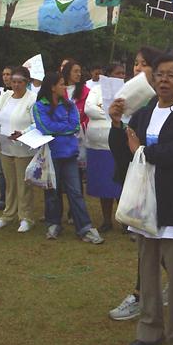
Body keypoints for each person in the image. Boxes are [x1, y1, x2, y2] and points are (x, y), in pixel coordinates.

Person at [110, 54, 173, 345]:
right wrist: (115, 123)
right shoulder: (144, 112)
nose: (163, 80)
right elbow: (125, 151)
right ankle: (150, 330)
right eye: (159, 75)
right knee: (147, 274)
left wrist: (146, 152)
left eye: (171, 75)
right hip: (144, 203)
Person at [108, 45, 165, 322]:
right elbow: (121, 153)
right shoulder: (137, 106)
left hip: (162, 184)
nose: (137, 69)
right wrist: (117, 122)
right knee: (148, 241)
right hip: (139, 181)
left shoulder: (165, 105)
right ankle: (147, 292)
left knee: (157, 242)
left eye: (144, 64)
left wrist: (139, 148)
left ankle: (143, 295)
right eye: (136, 64)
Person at [34, 71, 103, 244]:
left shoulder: (69, 105)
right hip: (52, 154)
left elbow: (74, 126)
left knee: (75, 192)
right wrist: (62, 128)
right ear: (52, 87)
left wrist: (58, 128)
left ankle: (85, 227)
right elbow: (45, 128)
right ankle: (53, 223)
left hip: (70, 154)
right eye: (61, 84)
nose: (65, 87)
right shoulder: (40, 105)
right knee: (52, 191)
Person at [0, 66, 37, 231]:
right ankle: (8, 214)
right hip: (5, 145)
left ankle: (26, 217)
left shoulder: (32, 99)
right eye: (13, 82)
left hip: (23, 147)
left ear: (26, 82)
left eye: (19, 82)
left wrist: (22, 132)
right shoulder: (5, 96)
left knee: (24, 184)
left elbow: (36, 123)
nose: (15, 85)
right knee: (10, 183)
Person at [85, 62, 126, 232]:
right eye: (117, 73)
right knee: (103, 185)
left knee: (120, 185)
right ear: (108, 75)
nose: (121, 76)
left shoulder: (127, 91)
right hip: (97, 146)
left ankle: (125, 221)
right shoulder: (96, 90)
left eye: (123, 73)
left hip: (117, 146)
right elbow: (89, 109)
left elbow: (128, 113)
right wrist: (110, 113)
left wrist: (105, 110)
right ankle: (106, 220)